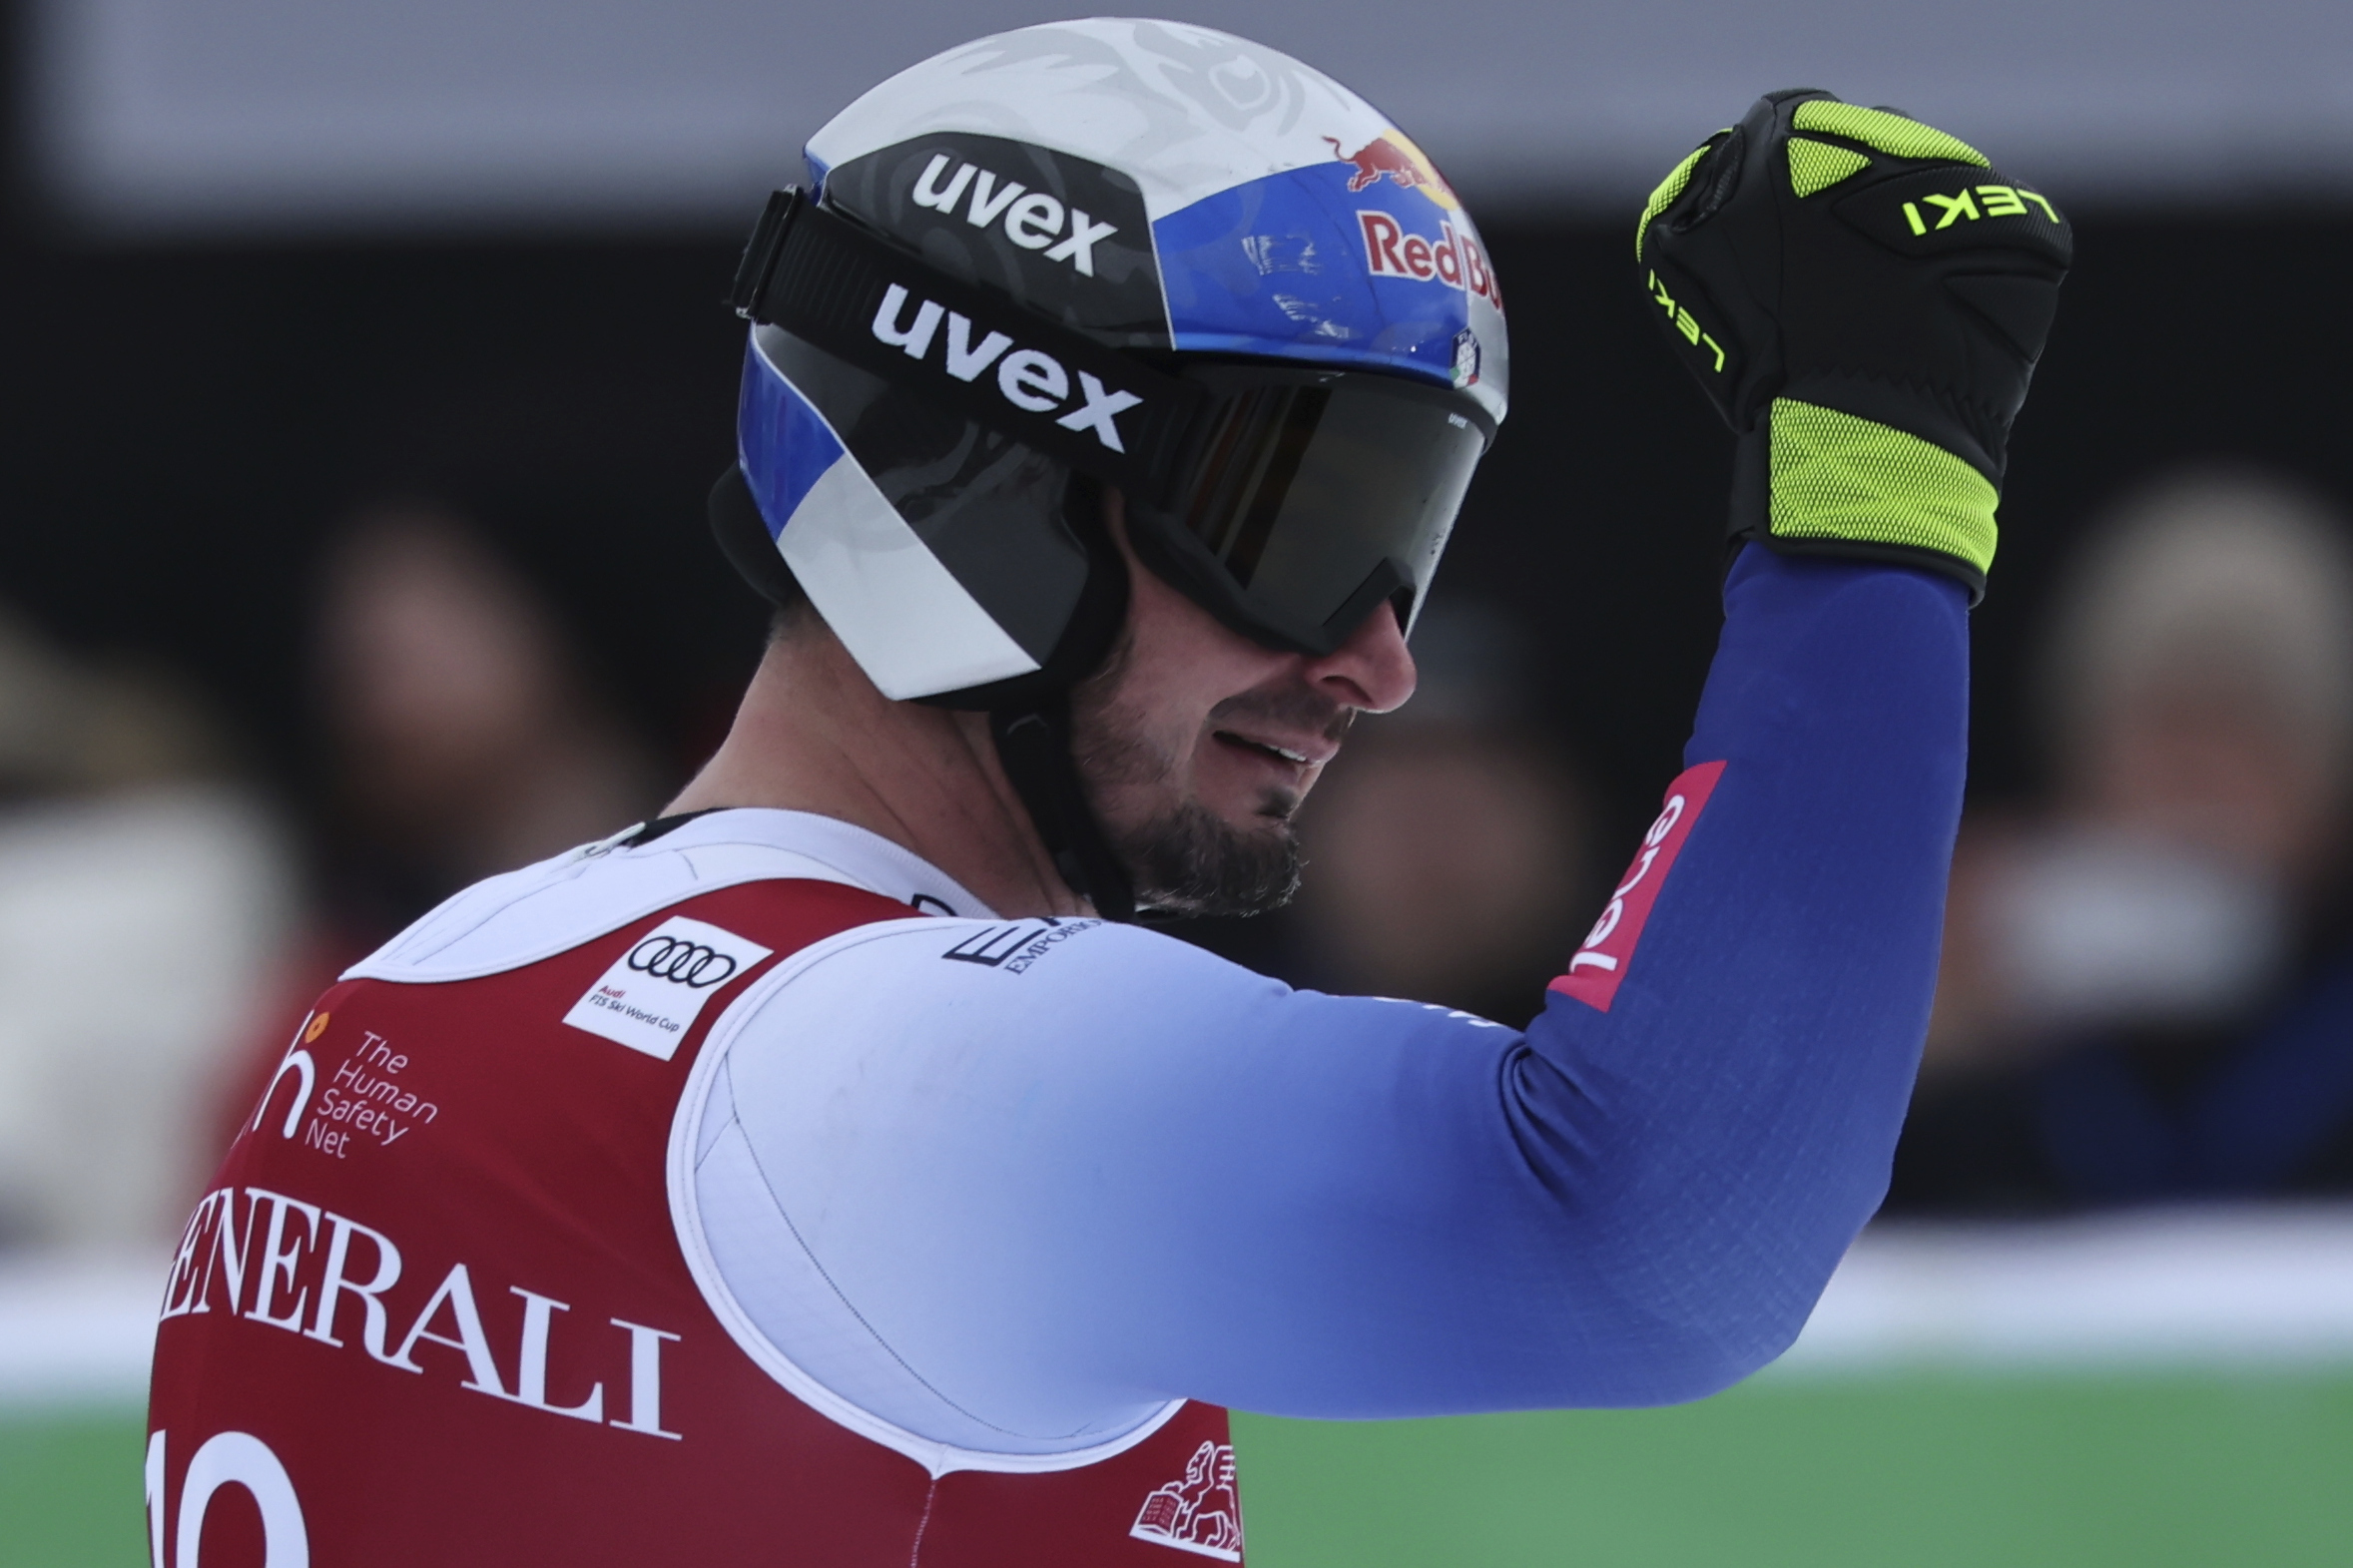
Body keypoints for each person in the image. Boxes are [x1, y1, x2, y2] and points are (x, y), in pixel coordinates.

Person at [144, 26, 2068, 1566]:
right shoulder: (871, 1075)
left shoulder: (426, 988)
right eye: (1300, 524)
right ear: (986, 473)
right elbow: (1663, 1239)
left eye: (1411, 538)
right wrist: (1874, 494)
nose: (1377, 657)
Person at [1892, 472, 2353, 1209]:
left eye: (2251, 722)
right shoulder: (2009, 1065)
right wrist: (1909, 1031)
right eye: (2164, 719)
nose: (2198, 769)